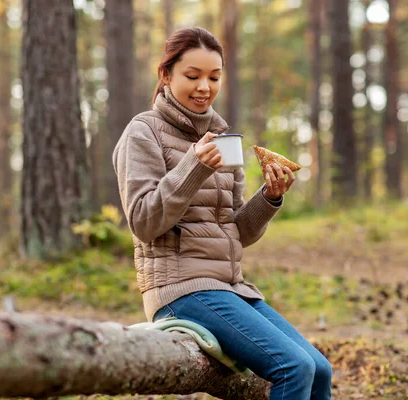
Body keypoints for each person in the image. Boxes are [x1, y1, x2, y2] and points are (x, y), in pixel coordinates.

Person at [112, 27, 332, 400]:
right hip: (179, 289)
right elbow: (144, 222)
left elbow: (236, 231)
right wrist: (194, 166)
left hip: (231, 287)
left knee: (319, 370)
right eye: (192, 76)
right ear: (166, 75)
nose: (204, 87)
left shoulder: (223, 138)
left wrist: (270, 197)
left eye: (214, 77)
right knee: (293, 367)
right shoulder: (143, 132)